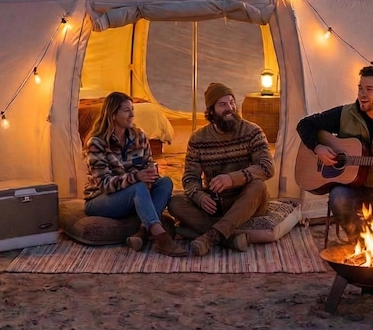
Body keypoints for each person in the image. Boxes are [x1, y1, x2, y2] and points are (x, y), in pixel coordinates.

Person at [296, 65, 373, 241]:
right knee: (338, 198)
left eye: (369, 89)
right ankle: (360, 242)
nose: (362, 94)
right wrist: (318, 148)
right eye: (360, 88)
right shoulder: (345, 114)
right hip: (351, 187)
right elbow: (305, 124)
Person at [168, 82, 275, 257]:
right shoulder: (198, 139)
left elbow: (267, 167)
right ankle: (230, 237)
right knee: (175, 202)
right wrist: (200, 197)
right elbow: (190, 178)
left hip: (246, 201)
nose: (230, 108)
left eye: (232, 103)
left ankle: (209, 236)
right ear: (211, 111)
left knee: (258, 186)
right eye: (223, 105)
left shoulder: (252, 131)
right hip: (216, 203)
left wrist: (232, 179)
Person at [83, 91, 185, 257]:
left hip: (134, 195)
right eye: (126, 111)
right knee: (138, 187)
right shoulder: (97, 143)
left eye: (132, 110)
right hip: (100, 199)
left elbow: (148, 164)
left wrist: (151, 177)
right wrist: (137, 178)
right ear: (113, 114)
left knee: (165, 182)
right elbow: (105, 185)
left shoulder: (139, 137)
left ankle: (142, 232)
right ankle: (161, 237)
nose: (132, 115)